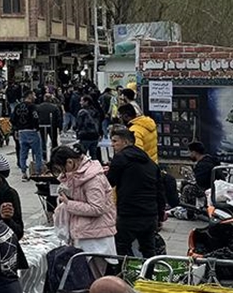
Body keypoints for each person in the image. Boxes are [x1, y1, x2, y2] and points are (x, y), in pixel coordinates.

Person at [50, 145, 116, 255]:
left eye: (62, 169)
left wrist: (68, 203)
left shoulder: (93, 179)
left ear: (70, 162)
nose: (63, 173)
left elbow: (97, 208)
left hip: (96, 239)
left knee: (94, 272)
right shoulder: (77, 175)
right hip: (85, 234)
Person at [108, 127, 162, 258]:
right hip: (150, 213)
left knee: (122, 247)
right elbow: (160, 191)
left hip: (129, 212)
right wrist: (160, 215)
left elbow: (109, 182)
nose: (112, 145)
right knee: (148, 248)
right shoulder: (150, 163)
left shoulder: (120, 158)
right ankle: (149, 274)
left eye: (115, 141)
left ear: (126, 142)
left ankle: (126, 274)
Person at [10, 91, 42, 179]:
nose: (35, 97)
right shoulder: (32, 107)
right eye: (34, 95)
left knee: (23, 153)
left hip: (21, 132)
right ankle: (38, 172)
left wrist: (16, 129)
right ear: (30, 96)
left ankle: (23, 172)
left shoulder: (17, 107)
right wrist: (37, 128)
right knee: (37, 153)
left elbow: (12, 119)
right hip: (31, 131)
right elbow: (35, 117)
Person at [74, 95, 102, 161]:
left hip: (85, 136)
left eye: (82, 101)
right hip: (95, 136)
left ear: (86, 102)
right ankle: (95, 169)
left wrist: (77, 131)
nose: (80, 103)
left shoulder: (82, 112)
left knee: (82, 156)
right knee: (94, 155)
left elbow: (79, 124)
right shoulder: (95, 111)